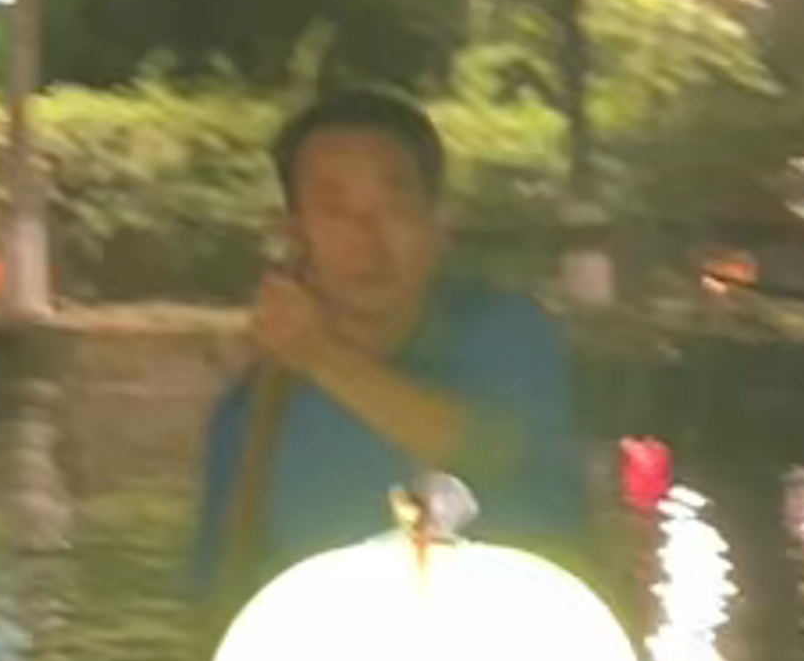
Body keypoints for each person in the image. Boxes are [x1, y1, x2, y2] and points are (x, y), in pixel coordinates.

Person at [194, 87, 584, 606]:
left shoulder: (507, 333)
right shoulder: (251, 416)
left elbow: (490, 450)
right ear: (293, 235)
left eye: (394, 207)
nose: (367, 238)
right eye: (336, 211)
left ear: (436, 227)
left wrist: (319, 354)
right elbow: (224, 598)